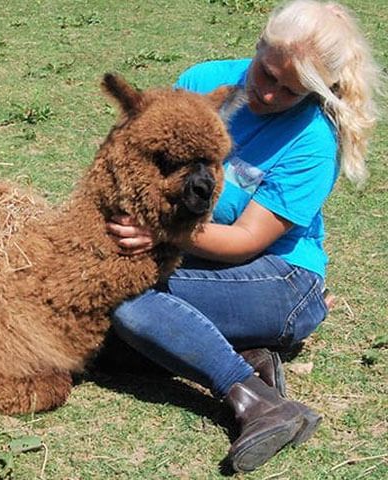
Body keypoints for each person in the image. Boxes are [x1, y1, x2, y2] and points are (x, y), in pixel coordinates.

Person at [106, 0, 381, 472]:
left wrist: (162, 233)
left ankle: (258, 401)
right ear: (258, 45)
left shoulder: (313, 142)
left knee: (122, 296)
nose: (268, 94)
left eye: (289, 90)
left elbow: (247, 239)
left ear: (317, 91)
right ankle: (248, 353)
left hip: (279, 279)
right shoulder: (202, 84)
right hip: (200, 261)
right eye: (266, 71)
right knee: (97, 328)